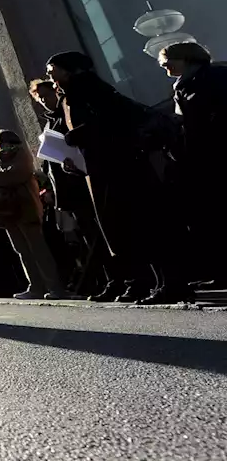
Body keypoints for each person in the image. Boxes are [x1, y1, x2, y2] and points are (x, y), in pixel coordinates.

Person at [48, 51, 192, 304]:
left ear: (69, 69)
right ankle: (142, 282)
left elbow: (113, 122)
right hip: (102, 169)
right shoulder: (70, 95)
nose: (50, 75)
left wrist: (78, 136)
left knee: (143, 224)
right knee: (124, 229)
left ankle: (170, 283)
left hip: (122, 168)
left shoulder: (91, 89)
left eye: (53, 69)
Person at [29, 79, 111, 298]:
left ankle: (110, 280)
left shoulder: (68, 115)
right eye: (40, 99)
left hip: (83, 182)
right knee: (85, 236)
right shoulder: (49, 124)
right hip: (66, 188)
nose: (45, 102)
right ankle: (102, 281)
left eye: (47, 96)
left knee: (98, 235)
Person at [160, 41, 227, 288]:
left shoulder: (215, 76)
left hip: (216, 154)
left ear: (186, 58)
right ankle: (220, 272)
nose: (164, 65)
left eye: (167, 59)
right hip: (200, 158)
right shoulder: (183, 85)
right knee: (210, 216)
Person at [0, 130, 73, 300]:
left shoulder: (22, 155)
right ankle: (35, 287)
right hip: (6, 211)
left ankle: (55, 287)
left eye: (2, 142)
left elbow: (18, 174)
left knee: (38, 250)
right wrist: (1, 176)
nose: (1, 146)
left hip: (26, 208)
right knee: (22, 250)